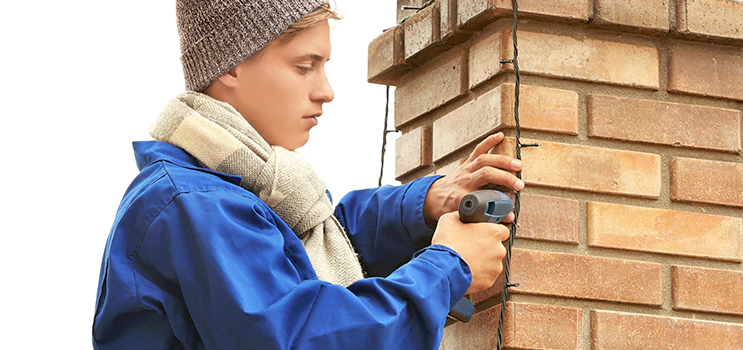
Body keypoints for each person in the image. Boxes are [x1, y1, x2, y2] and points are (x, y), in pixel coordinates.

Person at [91, 1, 525, 349]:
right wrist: (447, 268)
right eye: (305, 66)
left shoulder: (235, 191)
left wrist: (429, 203)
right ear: (230, 66)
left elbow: (323, 238)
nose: (326, 91)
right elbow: (303, 336)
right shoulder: (194, 204)